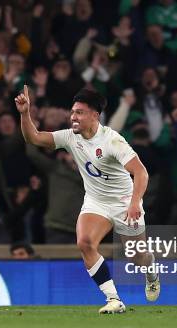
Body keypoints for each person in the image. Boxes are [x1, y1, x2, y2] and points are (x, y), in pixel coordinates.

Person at [15, 86, 159, 314]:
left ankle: (150, 270)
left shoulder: (113, 140)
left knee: (137, 257)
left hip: (124, 202)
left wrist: (134, 203)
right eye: (73, 112)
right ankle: (113, 299)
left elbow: (141, 173)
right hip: (96, 201)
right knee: (84, 243)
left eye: (80, 112)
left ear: (95, 115)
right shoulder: (71, 137)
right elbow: (33, 138)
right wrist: (25, 113)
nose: (74, 117)